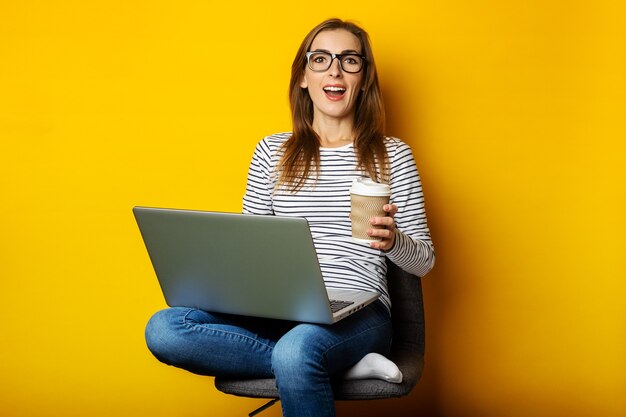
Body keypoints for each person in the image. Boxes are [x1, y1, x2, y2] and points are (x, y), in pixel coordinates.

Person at [144, 18, 435, 417]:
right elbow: (251, 247)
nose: (335, 70)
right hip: (282, 313)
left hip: (360, 312)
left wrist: (393, 240)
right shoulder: (271, 152)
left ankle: (318, 358)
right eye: (321, 59)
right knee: (165, 329)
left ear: (364, 78)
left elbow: (424, 261)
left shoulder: (392, 154)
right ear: (303, 76)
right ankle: (341, 369)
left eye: (350, 60)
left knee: (299, 350)